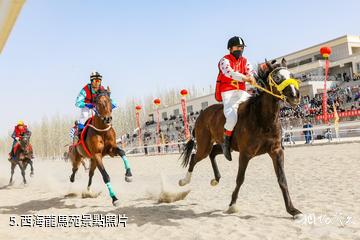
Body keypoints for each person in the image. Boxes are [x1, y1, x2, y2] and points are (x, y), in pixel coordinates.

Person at [215, 36, 256, 161]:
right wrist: (245, 78)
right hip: (228, 93)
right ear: (230, 48)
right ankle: (226, 143)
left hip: (242, 92)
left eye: (242, 47)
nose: (240, 49)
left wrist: (251, 77)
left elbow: (250, 70)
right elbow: (230, 73)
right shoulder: (224, 61)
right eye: (238, 47)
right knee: (232, 118)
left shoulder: (245, 60)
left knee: (257, 105)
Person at [75, 71, 116, 136]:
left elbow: (113, 102)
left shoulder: (102, 89)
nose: (97, 83)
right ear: (91, 81)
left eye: (98, 81)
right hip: (87, 107)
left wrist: (110, 102)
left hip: (96, 107)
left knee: (105, 115)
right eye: (95, 81)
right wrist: (85, 104)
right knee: (85, 115)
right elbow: (77, 103)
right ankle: (80, 131)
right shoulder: (85, 90)